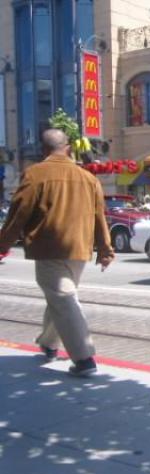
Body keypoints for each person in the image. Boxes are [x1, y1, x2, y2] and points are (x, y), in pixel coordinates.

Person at [0, 129, 114, 377]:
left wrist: (3, 245)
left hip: (49, 248)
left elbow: (18, 215)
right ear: (69, 149)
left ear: (43, 150)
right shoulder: (89, 178)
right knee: (62, 297)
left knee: (63, 298)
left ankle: (84, 358)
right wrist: (105, 249)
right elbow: (99, 217)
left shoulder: (35, 174)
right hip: (80, 251)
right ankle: (49, 344)